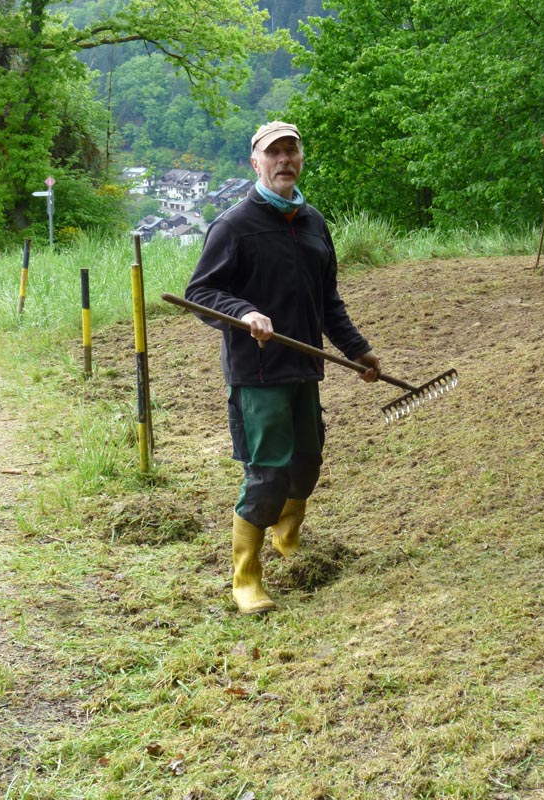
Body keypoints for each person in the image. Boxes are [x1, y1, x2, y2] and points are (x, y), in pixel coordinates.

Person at [185, 120, 381, 615]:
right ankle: (246, 576)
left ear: (300, 159)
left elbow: (327, 301)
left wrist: (356, 349)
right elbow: (201, 293)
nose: (284, 161)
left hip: (305, 368)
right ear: (256, 163)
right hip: (258, 375)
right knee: (268, 474)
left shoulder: (313, 223)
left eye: (291, 151)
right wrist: (244, 313)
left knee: (307, 465)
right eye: (273, 153)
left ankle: (287, 538)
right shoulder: (234, 225)